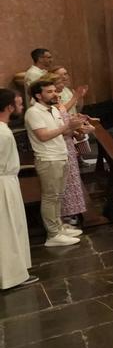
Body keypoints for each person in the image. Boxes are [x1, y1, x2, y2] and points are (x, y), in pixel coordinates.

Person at [25, 81, 88, 247]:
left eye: (55, 91)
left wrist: (75, 127)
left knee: (59, 195)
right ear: (38, 95)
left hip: (61, 155)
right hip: (48, 158)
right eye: (50, 91)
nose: (55, 94)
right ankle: (53, 234)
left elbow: (64, 132)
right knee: (50, 197)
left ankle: (59, 227)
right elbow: (43, 136)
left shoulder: (53, 109)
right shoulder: (33, 112)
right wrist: (67, 126)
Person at [0, 89, 36, 288]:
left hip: (7, 181)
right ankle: (11, 275)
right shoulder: (3, 132)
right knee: (8, 229)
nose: (22, 107)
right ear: (9, 107)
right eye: (19, 104)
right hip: (3, 185)